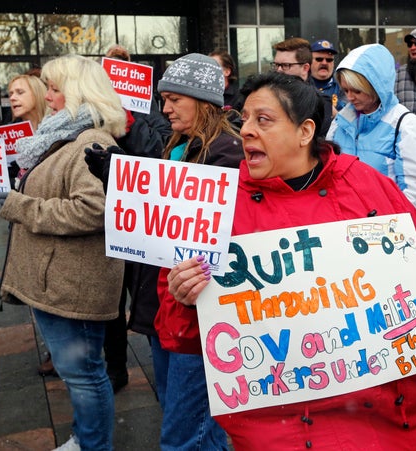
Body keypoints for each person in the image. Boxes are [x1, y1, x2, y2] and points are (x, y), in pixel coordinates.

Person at [160, 71, 416, 450]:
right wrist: (184, 297)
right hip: (281, 425)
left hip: (394, 413)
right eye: (245, 120)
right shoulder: (218, 209)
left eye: (264, 120)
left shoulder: (366, 184)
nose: (246, 132)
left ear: (305, 131)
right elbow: (184, 337)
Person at [0, 54, 127, 451]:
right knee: (78, 373)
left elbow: (95, 210)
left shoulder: (93, 141)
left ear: (78, 93)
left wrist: (20, 206)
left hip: (74, 285)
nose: (49, 97)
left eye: (56, 89)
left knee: (84, 374)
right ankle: (84, 437)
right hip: (59, 280)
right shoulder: (64, 135)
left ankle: (93, 444)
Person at [151, 53, 244, 450]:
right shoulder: (179, 147)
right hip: (170, 308)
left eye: (175, 99)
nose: (166, 108)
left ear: (203, 102)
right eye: (163, 99)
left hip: (200, 317)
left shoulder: (226, 153)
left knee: (186, 437)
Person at [100, 43, 172, 393]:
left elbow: (157, 155)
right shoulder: (94, 115)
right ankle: (116, 367)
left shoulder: (151, 115)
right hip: (119, 223)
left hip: (147, 226)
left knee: (147, 300)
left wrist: (130, 123)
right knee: (115, 300)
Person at [327, 43, 416, 217]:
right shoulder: (341, 121)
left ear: (376, 87)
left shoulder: (407, 126)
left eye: (357, 91)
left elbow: (415, 195)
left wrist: (382, 226)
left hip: (386, 232)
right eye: (346, 90)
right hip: (343, 227)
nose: (350, 97)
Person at [272, 37, 333, 135]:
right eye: (276, 65)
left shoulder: (320, 102)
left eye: (286, 65)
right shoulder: (266, 93)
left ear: (305, 68)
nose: (279, 70)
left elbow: (318, 141)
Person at [309, 39, 346, 110]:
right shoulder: (302, 82)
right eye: (319, 59)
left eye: (329, 60)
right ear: (309, 61)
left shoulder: (343, 83)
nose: (324, 63)